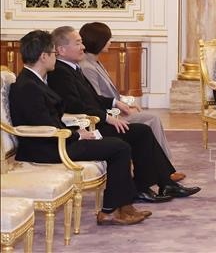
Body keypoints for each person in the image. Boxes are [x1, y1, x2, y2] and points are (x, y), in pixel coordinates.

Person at [8, 30, 149, 226]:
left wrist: (78, 132)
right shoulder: (28, 87)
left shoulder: (35, 81)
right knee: (119, 147)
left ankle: (122, 206)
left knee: (118, 144)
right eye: (53, 53)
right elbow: (44, 128)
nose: (55, 57)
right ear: (43, 56)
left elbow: (49, 121)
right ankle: (111, 211)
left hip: (57, 141)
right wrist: (78, 135)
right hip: (46, 149)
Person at [47, 26, 201, 203]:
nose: (83, 46)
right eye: (78, 43)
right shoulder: (60, 72)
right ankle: (149, 186)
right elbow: (75, 105)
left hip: (96, 120)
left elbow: (92, 98)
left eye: (82, 42)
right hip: (87, 126)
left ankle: (164, 183)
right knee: (140, 132)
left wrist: (114, 102)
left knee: (142, 131)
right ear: (61, 50)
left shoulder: (72, 68)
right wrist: (108, 117)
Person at [78, 22, 185, 182]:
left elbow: (108, 95)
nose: (110, 42)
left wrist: (124, 103)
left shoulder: (94, 61)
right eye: (108, 39)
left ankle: (163, 166)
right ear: (98, 41)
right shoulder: (87, 66)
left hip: (114, 111)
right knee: (151, 119)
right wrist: (119, 111)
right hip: (108, 117)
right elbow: (96, 99)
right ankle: (164, 169)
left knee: (150, 119)